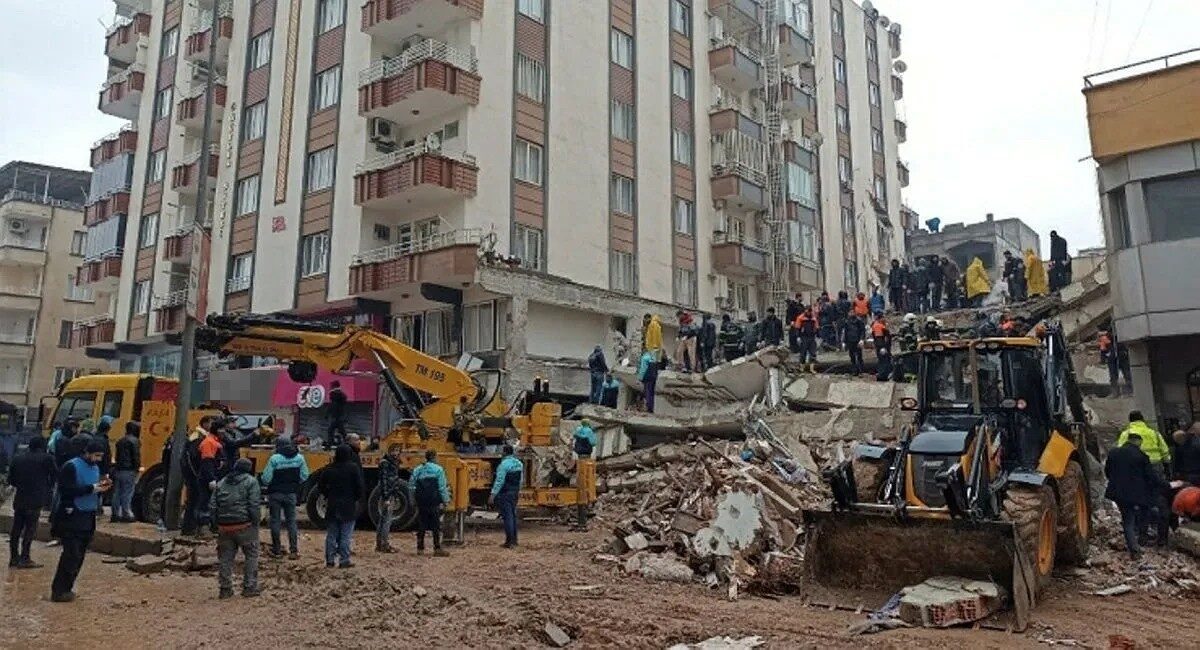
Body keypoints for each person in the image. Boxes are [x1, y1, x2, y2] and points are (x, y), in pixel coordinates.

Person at [50, 436, 111, 602]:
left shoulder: (95, 469)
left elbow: (94, 488)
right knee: (71, 554)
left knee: (80, 555)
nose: (98, 459)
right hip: (72, 515)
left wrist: (101, 488)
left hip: (88, 516)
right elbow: (67, 490)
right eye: (96, 455)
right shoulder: (71, 467)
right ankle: (58, 590)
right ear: (87, 453)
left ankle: (67, 588)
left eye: (100, 456)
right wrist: (92, 488)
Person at [1105, 431, 1168, 560]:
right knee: (1142, 513)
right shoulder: (1141, 456)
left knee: (1127, 519)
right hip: (1137, 494)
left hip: (1118, 493)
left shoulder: (1114, 453)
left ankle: (1134, 546)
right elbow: (1151, 476)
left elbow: (1108, 471)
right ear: (1138, 442)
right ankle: (1140, 542)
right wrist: (1166, 484)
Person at [1118, 411, 1173, 545]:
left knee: (1139, 502)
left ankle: (1141, 535)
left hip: (1135, 472)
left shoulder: (1126, 434)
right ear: (1143, 420)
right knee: (1159, 502)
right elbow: (1165, 453)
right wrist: (1167, 471)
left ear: (1130, 421)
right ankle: (1162, 538)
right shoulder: (1154, 433)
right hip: (1155, 469)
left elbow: (1121, 452)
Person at [211, 458, 261, 598]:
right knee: (251, 556)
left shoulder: (221, 483)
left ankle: (225, 589)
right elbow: (254, 505)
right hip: (245, 525)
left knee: (225, 558)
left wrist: (216, 524)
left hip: (224, 527)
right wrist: (255, 522)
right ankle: (249, 587)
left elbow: (213, 506)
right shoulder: (251, 482)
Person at [7, 436, 56, 568]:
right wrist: (46, 487)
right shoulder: (47, 458)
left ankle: (13, 558)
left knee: (16, 530)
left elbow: (11, 480)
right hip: (36, 499)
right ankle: (25, 557)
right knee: (30, 529)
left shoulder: (18, 458)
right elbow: (54, 476)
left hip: (20, 498)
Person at [261, 436, 309, 559]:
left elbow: (266, 479)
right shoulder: (299, 458)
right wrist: (294, 483)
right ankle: (294, 550)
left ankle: (277, 550)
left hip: (275, 493)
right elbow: (305, 475)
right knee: (291, 521)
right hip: (291, 493)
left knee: (275, 521)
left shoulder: (274, 458)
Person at [319, 444, 365, 568]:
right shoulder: (353, 468)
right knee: (346, 535)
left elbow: (321, 486)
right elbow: (359, 487)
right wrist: (355, 498)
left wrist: (327, 494)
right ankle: (344, 560)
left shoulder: (329, 468)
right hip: (348, 505)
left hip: (332, 505)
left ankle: (330, 560)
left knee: (331, 535)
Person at [410, 450, 451, 556]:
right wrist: (446, 500)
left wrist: (412, 500)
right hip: (433, 500)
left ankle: (420, 548)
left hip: (421, 500)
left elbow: (411, 486)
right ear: (434, 457)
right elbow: (442, 487)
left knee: (422, 523)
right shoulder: (438, 470)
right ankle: (437, 548)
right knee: (435, 525)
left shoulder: (418, 469)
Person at [489, 445, 524, 548]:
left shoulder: (503, 465)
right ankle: (514, 540)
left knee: (507, 517)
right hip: (514, 492)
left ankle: (510, 542)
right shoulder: (519, 463)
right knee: (513, 515)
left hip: (505, 493)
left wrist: (493, 494)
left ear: (504, 453)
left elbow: (499, 481)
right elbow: (521, 480)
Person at [375, 443, 404, 553]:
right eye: (394, 450)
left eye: (398, 450)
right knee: (386, 520)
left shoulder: (392, 462)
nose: (396, 453)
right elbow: (384, 481)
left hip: (391, 493)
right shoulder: (386, 463)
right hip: (388, 494)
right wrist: (386, 497)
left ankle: (380, 544)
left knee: (384, 519)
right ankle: (384, 545)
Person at [111, 421, 141, 523]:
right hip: (129, 470)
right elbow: (136, 457)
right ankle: (126, 513)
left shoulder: (120, 441)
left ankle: (115, 514)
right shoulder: (135, 441)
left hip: (118, 469)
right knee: (127, 492)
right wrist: (137, 469)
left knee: (117, 492)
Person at [572, 420, 597, 530]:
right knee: (587, 487)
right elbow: (593, 443)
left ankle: (582, 520)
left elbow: (574, 441)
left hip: (580, 459)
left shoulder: (578, 431)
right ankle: (584, 519)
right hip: (586, 459)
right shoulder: (590, 432)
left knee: (581, 488)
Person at [793, 306, 819, 373]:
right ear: (805, 311)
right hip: (803, 337)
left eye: (810, 311)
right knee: (803, 353)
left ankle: (812, 369)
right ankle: (802, 368)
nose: (809, 313)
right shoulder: (800, 318)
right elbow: (797, 328)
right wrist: (798, 337)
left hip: (812, 337)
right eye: (808, 311)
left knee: (813, 353)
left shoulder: (813, 318)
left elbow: (816, 327)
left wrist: (817, 336)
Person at [326, 380, 348, 449]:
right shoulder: (342, 395)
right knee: (342, 431)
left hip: (336, 416)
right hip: (340, 416)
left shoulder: (334, 395)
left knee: (331, 430)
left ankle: (330, 444)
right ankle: (347, 443)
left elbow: (332, 406)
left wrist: (327, 413)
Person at [871, 314, 893, 382]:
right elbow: (879, 337)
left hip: (882, 346)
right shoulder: (878, 326)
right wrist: (883, 347)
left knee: (884, 360)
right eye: (883, 318)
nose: (885, 319)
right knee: (883, 361)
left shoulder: (880, 325)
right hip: (882, 346)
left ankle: (884, 374)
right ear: (880, 318)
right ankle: (882, 375)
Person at [638, 349, 659, 413]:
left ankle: (648, 408)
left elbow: (643, 369)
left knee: (647, 392)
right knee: (652, 393)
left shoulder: (644, 358)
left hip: (647, 377)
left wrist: (640, 378)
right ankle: (651, 407)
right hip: (653, 378)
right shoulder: (654, 357)